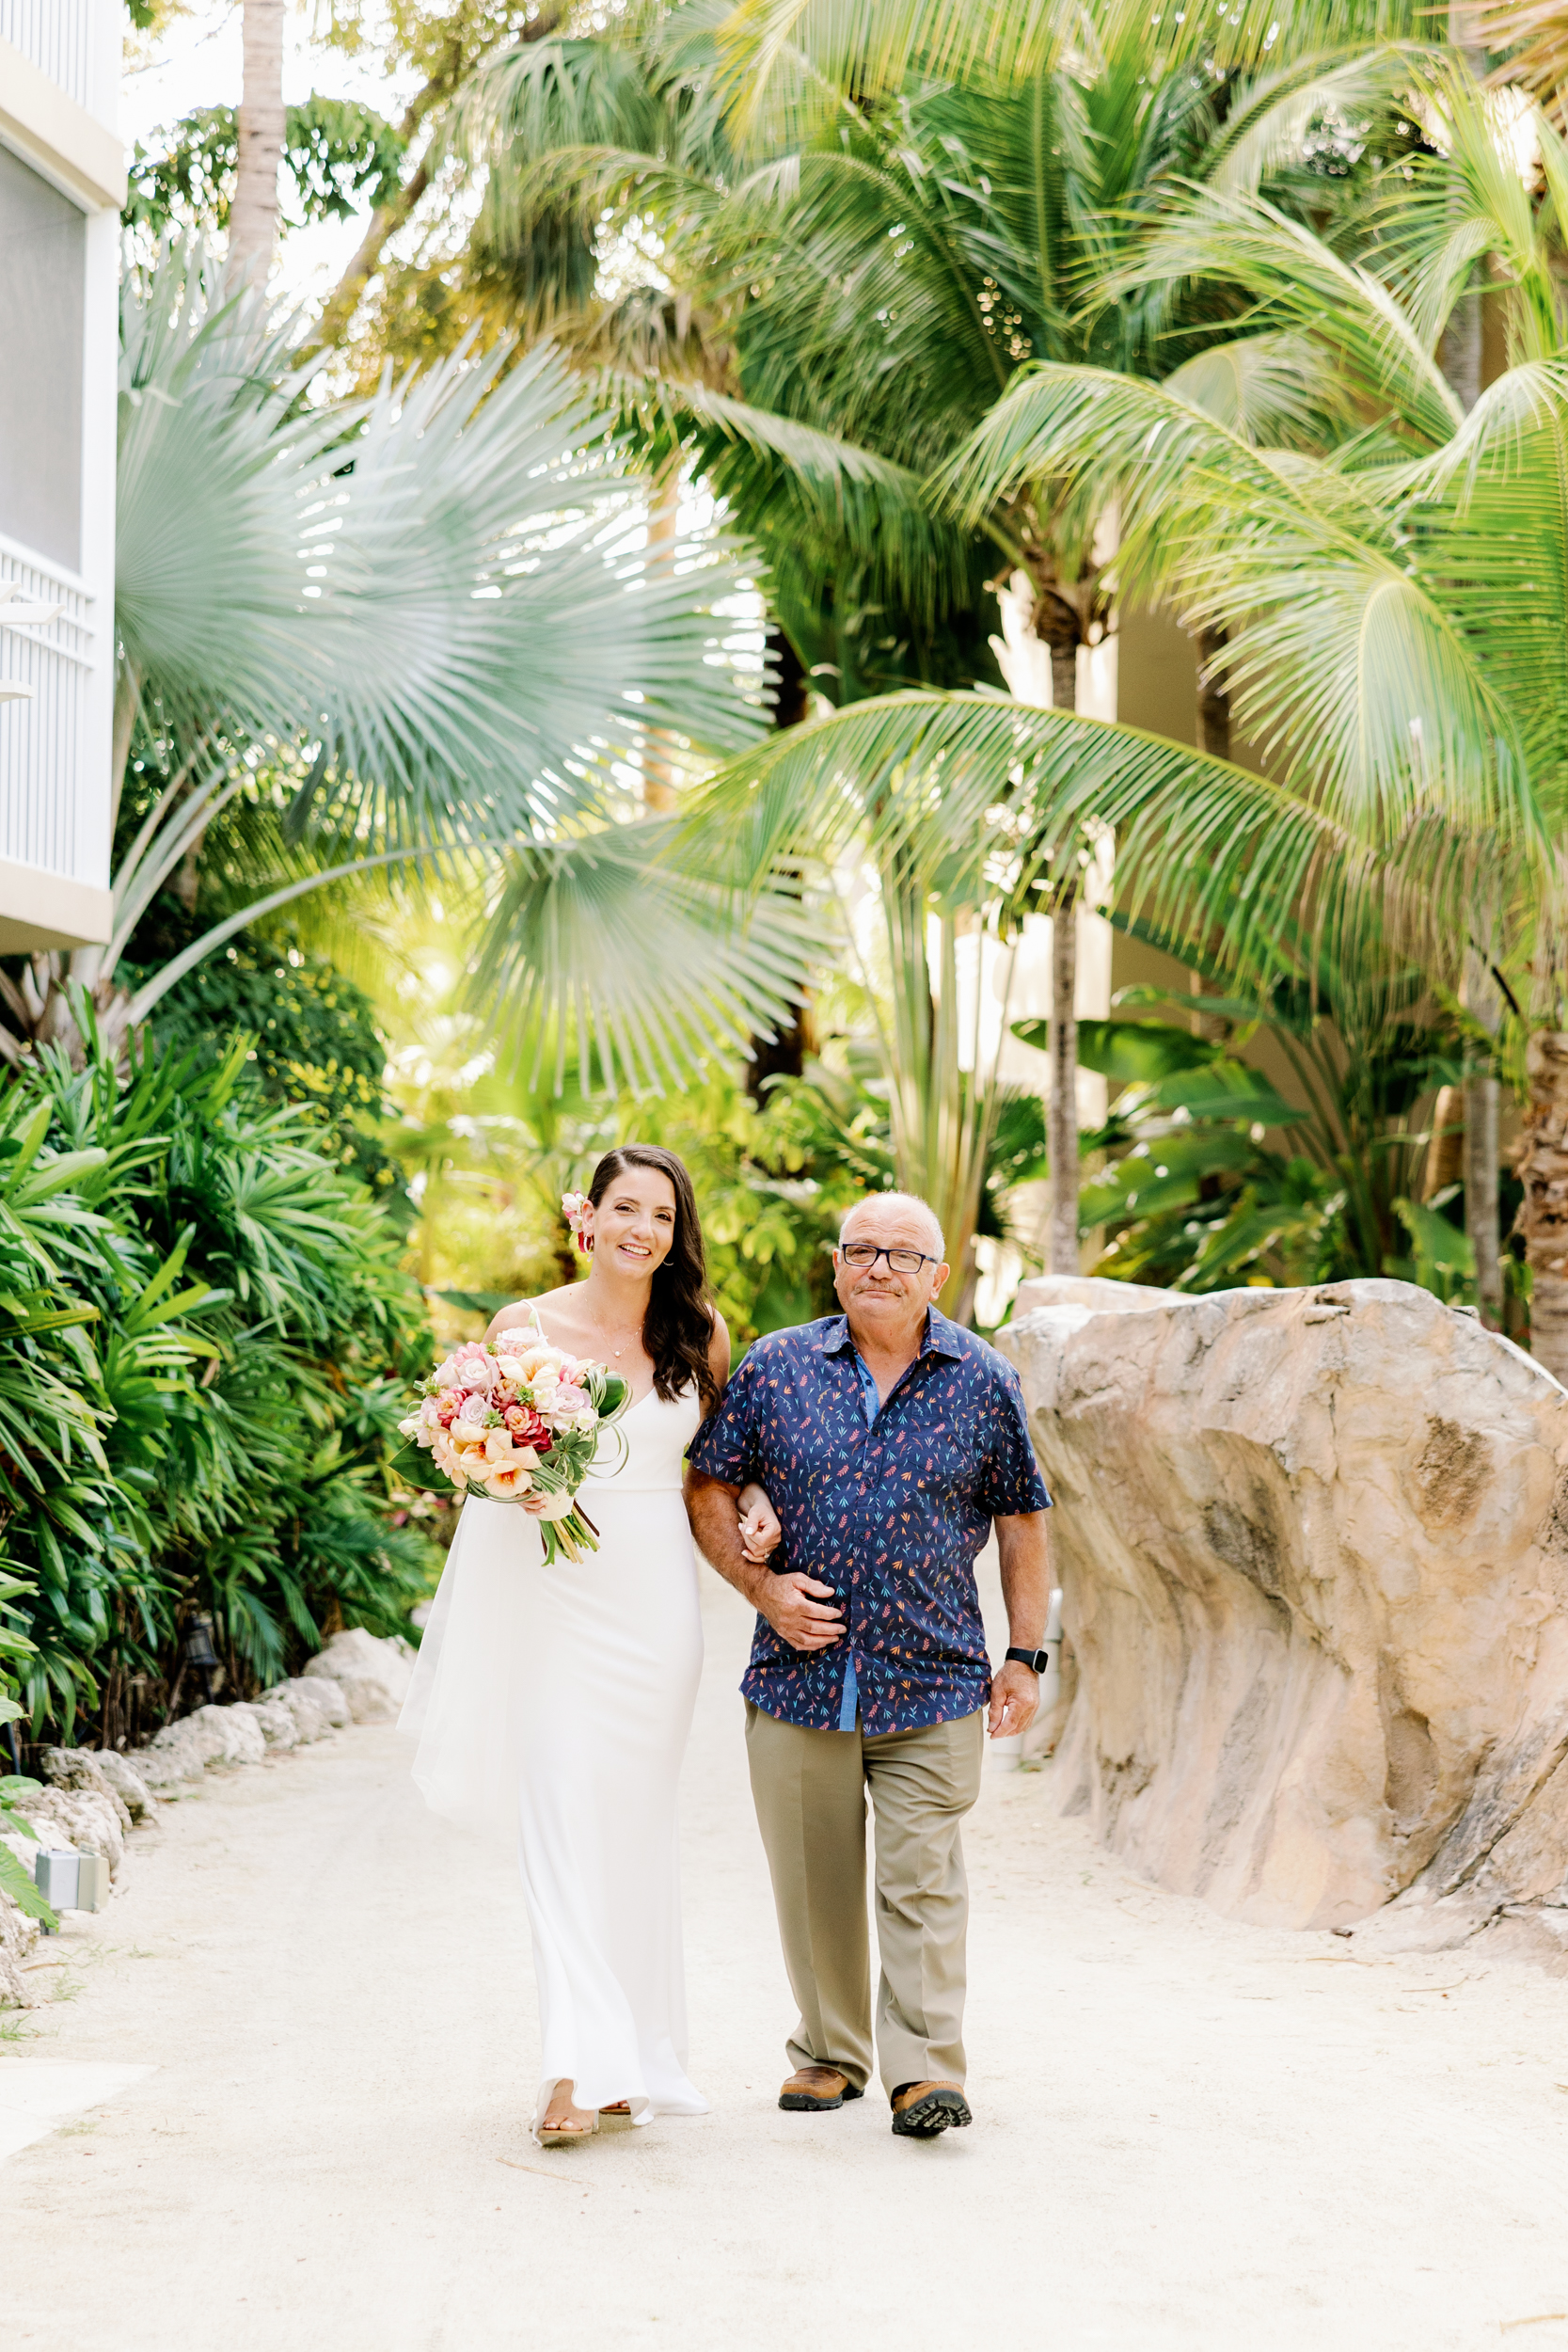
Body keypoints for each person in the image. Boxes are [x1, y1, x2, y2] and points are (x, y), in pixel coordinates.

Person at [399, 1145, 778, 2148]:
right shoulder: (521, 1329)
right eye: (623, 1207)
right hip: (554, 1594)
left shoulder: (700, 1331)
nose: (640, 1228)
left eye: (659, 1213)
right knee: (559, 1818)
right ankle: (570, 2067)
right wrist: (507, 1475)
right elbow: (474, 1463)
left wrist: (759, 1506)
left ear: (675, 1230)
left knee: (632, 1831)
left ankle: (632, 2059)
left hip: (655, 1603)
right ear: (588, 1215)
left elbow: (717, 1469)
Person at [685, 1190, 1053, 2140]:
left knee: (921, 1874)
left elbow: (1021, 1524)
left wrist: (1023, 1654)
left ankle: (923, 2070)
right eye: (861, 1250)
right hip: (795, 1676)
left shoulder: (984, 1380)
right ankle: (829, 2049)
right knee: (812, 1877)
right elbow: (709, 1483)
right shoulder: (774, 1367)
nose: (878, 1267)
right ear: (837, 1263)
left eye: (901, 1254)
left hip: (931, 1676)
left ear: (938, 1275)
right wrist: (759, 1591)